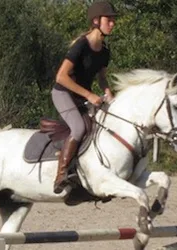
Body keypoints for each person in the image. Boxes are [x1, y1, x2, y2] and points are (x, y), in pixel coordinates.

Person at [52, 1, 117, 194]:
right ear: (96, 21)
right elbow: (61, 77)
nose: (113, 23)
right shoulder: (81, 45)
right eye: (109, 19)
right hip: (63, 93)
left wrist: (108, 93)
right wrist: (90, 94)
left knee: (100, 126)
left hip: (81, 98)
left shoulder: (105, 51)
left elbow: (102, 78)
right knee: (79, 128)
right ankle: (61, 175)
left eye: (113, 20)